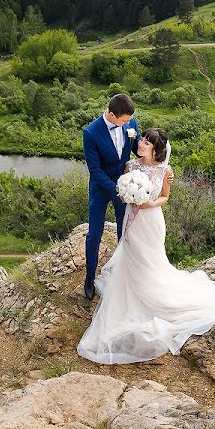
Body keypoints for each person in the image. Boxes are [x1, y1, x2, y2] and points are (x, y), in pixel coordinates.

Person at [77, 129, 215, 365]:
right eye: (141, 140)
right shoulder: (130, 167)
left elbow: (164, 198)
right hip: (132, 219)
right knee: (131, 255)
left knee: (151, 260)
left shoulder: (165, 171)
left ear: (156, 149)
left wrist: (148, 202)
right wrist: (127, 196)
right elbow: (120, 190)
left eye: (146, 142)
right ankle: (133, 288)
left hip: (151, 221)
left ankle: (150, 294)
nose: (140, 143)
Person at [82, 94, 140, 300]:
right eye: (124, 121)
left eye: (129, 121)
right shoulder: (90, 133)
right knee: (94, 234)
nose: (128, 123)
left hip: (124, 186)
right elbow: (95, 170)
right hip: (101, 188)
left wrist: (158, 166)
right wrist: (117, 189)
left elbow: (139, 149)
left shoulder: (130, 122)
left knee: (123, 231)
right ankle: (89, 277)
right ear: (112, 115)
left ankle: (122, 272)